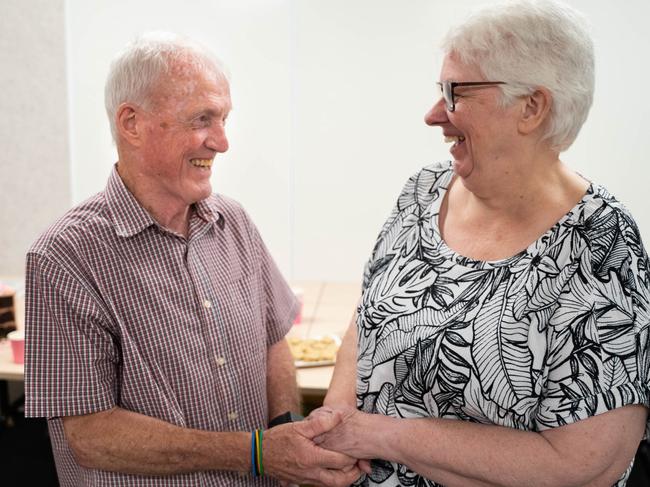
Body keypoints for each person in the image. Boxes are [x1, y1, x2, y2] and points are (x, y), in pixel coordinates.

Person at [316, 1, 650, 486]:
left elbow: (583, 466)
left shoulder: (601, 245)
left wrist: (380, 436)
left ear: (532, 108)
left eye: (456, 93)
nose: (434, 114)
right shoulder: (422, 193)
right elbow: (367, 319)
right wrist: (336, 422)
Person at [23, 32, 364, 487]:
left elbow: (272, 339)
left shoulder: (234, 222)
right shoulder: (63, 258)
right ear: (132, 123)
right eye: (202, 119)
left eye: (223, 119)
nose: (221, 142)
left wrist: (285, 436)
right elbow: (91, 435)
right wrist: (257, 452)